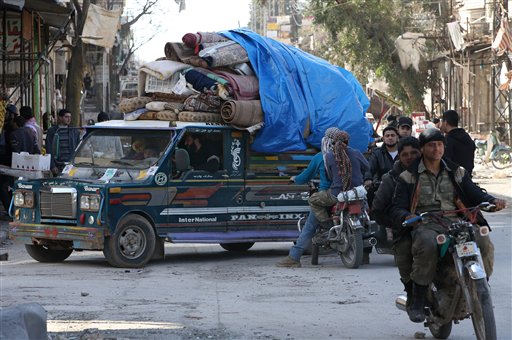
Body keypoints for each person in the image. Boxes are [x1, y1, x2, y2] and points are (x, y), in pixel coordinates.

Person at [391, 128, 506, 323]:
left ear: (444, 147)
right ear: (423, 149)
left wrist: (491, 200)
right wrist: (408, 215)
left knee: (483, 240)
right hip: (426, 224)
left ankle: (481, 286)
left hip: (457, 221)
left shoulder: (457, 171)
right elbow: (397, 207)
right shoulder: (408, 177)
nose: (436, 149)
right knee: (426, 244)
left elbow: (474, 193)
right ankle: (418, 299)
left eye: (439, 144)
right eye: (431, 145)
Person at [276, 127, 338, 268]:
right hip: (346, 194)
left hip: (325, 196)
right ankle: (363, 254)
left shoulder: (320, 157)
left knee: (309, 227)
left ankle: (294, 257)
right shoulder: (348, 155)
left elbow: (306, 175)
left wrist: (295, 179)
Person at [371, 137, 421, 311]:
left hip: (435, 224)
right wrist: (399, 223)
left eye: (414, 153)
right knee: (405, 253)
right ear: (399, 156)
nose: (410, 157)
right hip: (405, 227)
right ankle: (413, 296)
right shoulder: (391, 178)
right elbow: (377, 210)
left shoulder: (437, 170)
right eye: (405, 154)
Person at [309, 130, 369, 229]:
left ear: (333, 142)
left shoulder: (328, 156)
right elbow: (367, 167)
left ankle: (326, 225)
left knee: (313, 199)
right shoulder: (356, 153)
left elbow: (330, 176)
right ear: (348, 141)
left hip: (336, 194)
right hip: (357, 193)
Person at [440, 109, 476, 176]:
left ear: (445, 123)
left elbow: (446, 163)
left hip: (453, 180)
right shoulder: (467, 138)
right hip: (467, 178)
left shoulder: (448, 141)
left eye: (442, 121)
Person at [46, 109, 81, 176]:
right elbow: (49, 149)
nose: (69, 119)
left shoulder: (74, 131)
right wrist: (52, 166)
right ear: (60, 118)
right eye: (66, 117)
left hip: (71, 165)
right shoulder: (52, 131)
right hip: (58, 165)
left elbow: (78, 148)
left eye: (70, 117)